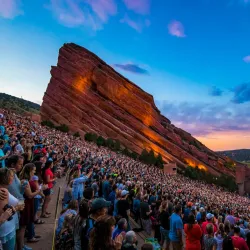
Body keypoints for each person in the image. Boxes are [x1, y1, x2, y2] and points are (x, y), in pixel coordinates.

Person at [19, 163, 45, 247]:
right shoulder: (25, 181)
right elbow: (29, 195)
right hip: (26, 204)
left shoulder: (27, 180)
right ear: (29, 171)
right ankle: (21, 245)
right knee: (23, 226)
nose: (34, 172)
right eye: (33, 171)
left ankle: (24, 243)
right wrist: (40, 189)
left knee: (28, 222)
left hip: (29, 203)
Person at [0, 168, 25, 250]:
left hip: (9, 227)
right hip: (6, 229)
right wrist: (17, 207)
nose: (13, 178)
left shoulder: (5, 189)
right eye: (11, 176)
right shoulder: (3, 192)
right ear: (5, 178)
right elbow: (4, 214)